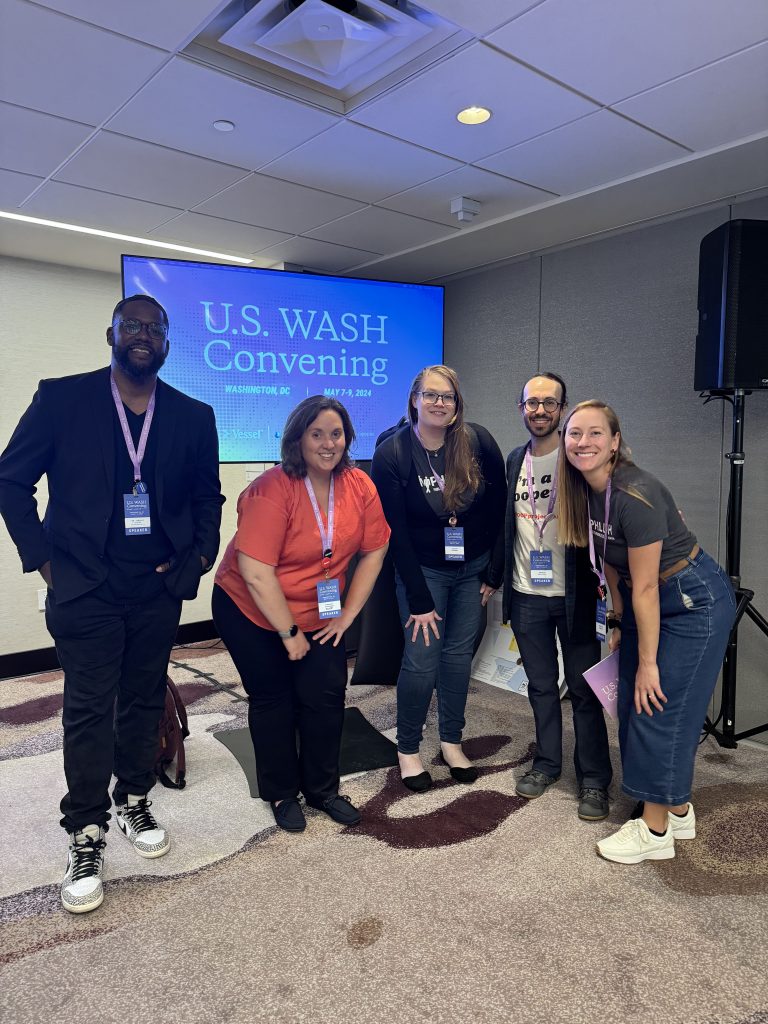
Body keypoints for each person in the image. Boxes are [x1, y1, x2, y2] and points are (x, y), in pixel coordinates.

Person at [0, 294, 224, 913]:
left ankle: (132, 799)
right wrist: (43, 558)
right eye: (133, 326)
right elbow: (10, 479)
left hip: (155, 587)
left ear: (168, 343)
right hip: (84, 586)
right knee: (89, 707)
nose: (144, 335)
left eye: (155, 328)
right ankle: (85, 829)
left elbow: (210, 498)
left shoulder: (192, 415)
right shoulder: (62, 399)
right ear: (112, 334)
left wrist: (197, 560)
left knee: (144, 696)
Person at [557, 400, 736, 864]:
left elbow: (648, 592)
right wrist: (618, 625)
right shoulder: (584, 493)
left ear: (615, 441)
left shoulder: (636, 494)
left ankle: (654, 833)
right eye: (574, 434)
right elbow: (612, 569)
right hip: (644, 599)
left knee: (656, 707)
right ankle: (677, 810)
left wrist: (649, 664)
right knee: (633, 711)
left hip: (691, 602)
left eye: (595, 434)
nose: (583, 443)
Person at [212, 396, 389, 833]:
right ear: (297, 438)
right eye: (317, 434)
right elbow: (255, 571)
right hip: (251, 609)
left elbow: (375, 548)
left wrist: (347, 616)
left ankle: (323, 789)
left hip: (320, 609)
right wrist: (289, 632)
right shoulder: (272, 488)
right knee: (274, 700)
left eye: (337, 433)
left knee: (326, 696)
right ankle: (281, 792)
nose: (328, 443)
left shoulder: (359, 485)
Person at [371, 365, 505, 792]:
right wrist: (418, 597)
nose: (439, 403)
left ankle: (451, 741)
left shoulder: (478, 441)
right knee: (422, 661)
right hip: (422, 571)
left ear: (457, 403)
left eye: (447, 397)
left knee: (457, 659)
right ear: (414, 399)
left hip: (472, 570)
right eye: (431, 395)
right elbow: (395, 532)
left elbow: (497, 509)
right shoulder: (393, 452)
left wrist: (493, 570)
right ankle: (407, 748)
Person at [501, 373, 612, 821]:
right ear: (522, 408)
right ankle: (547, 764)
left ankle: (594, 781)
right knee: (541, 687)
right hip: (526, 594)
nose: (540, 411)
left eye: (549, 403)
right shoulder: (514, 460)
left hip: (575, 596)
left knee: (585, 692)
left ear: (561, 409)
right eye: (532, 403)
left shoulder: (576, 460)